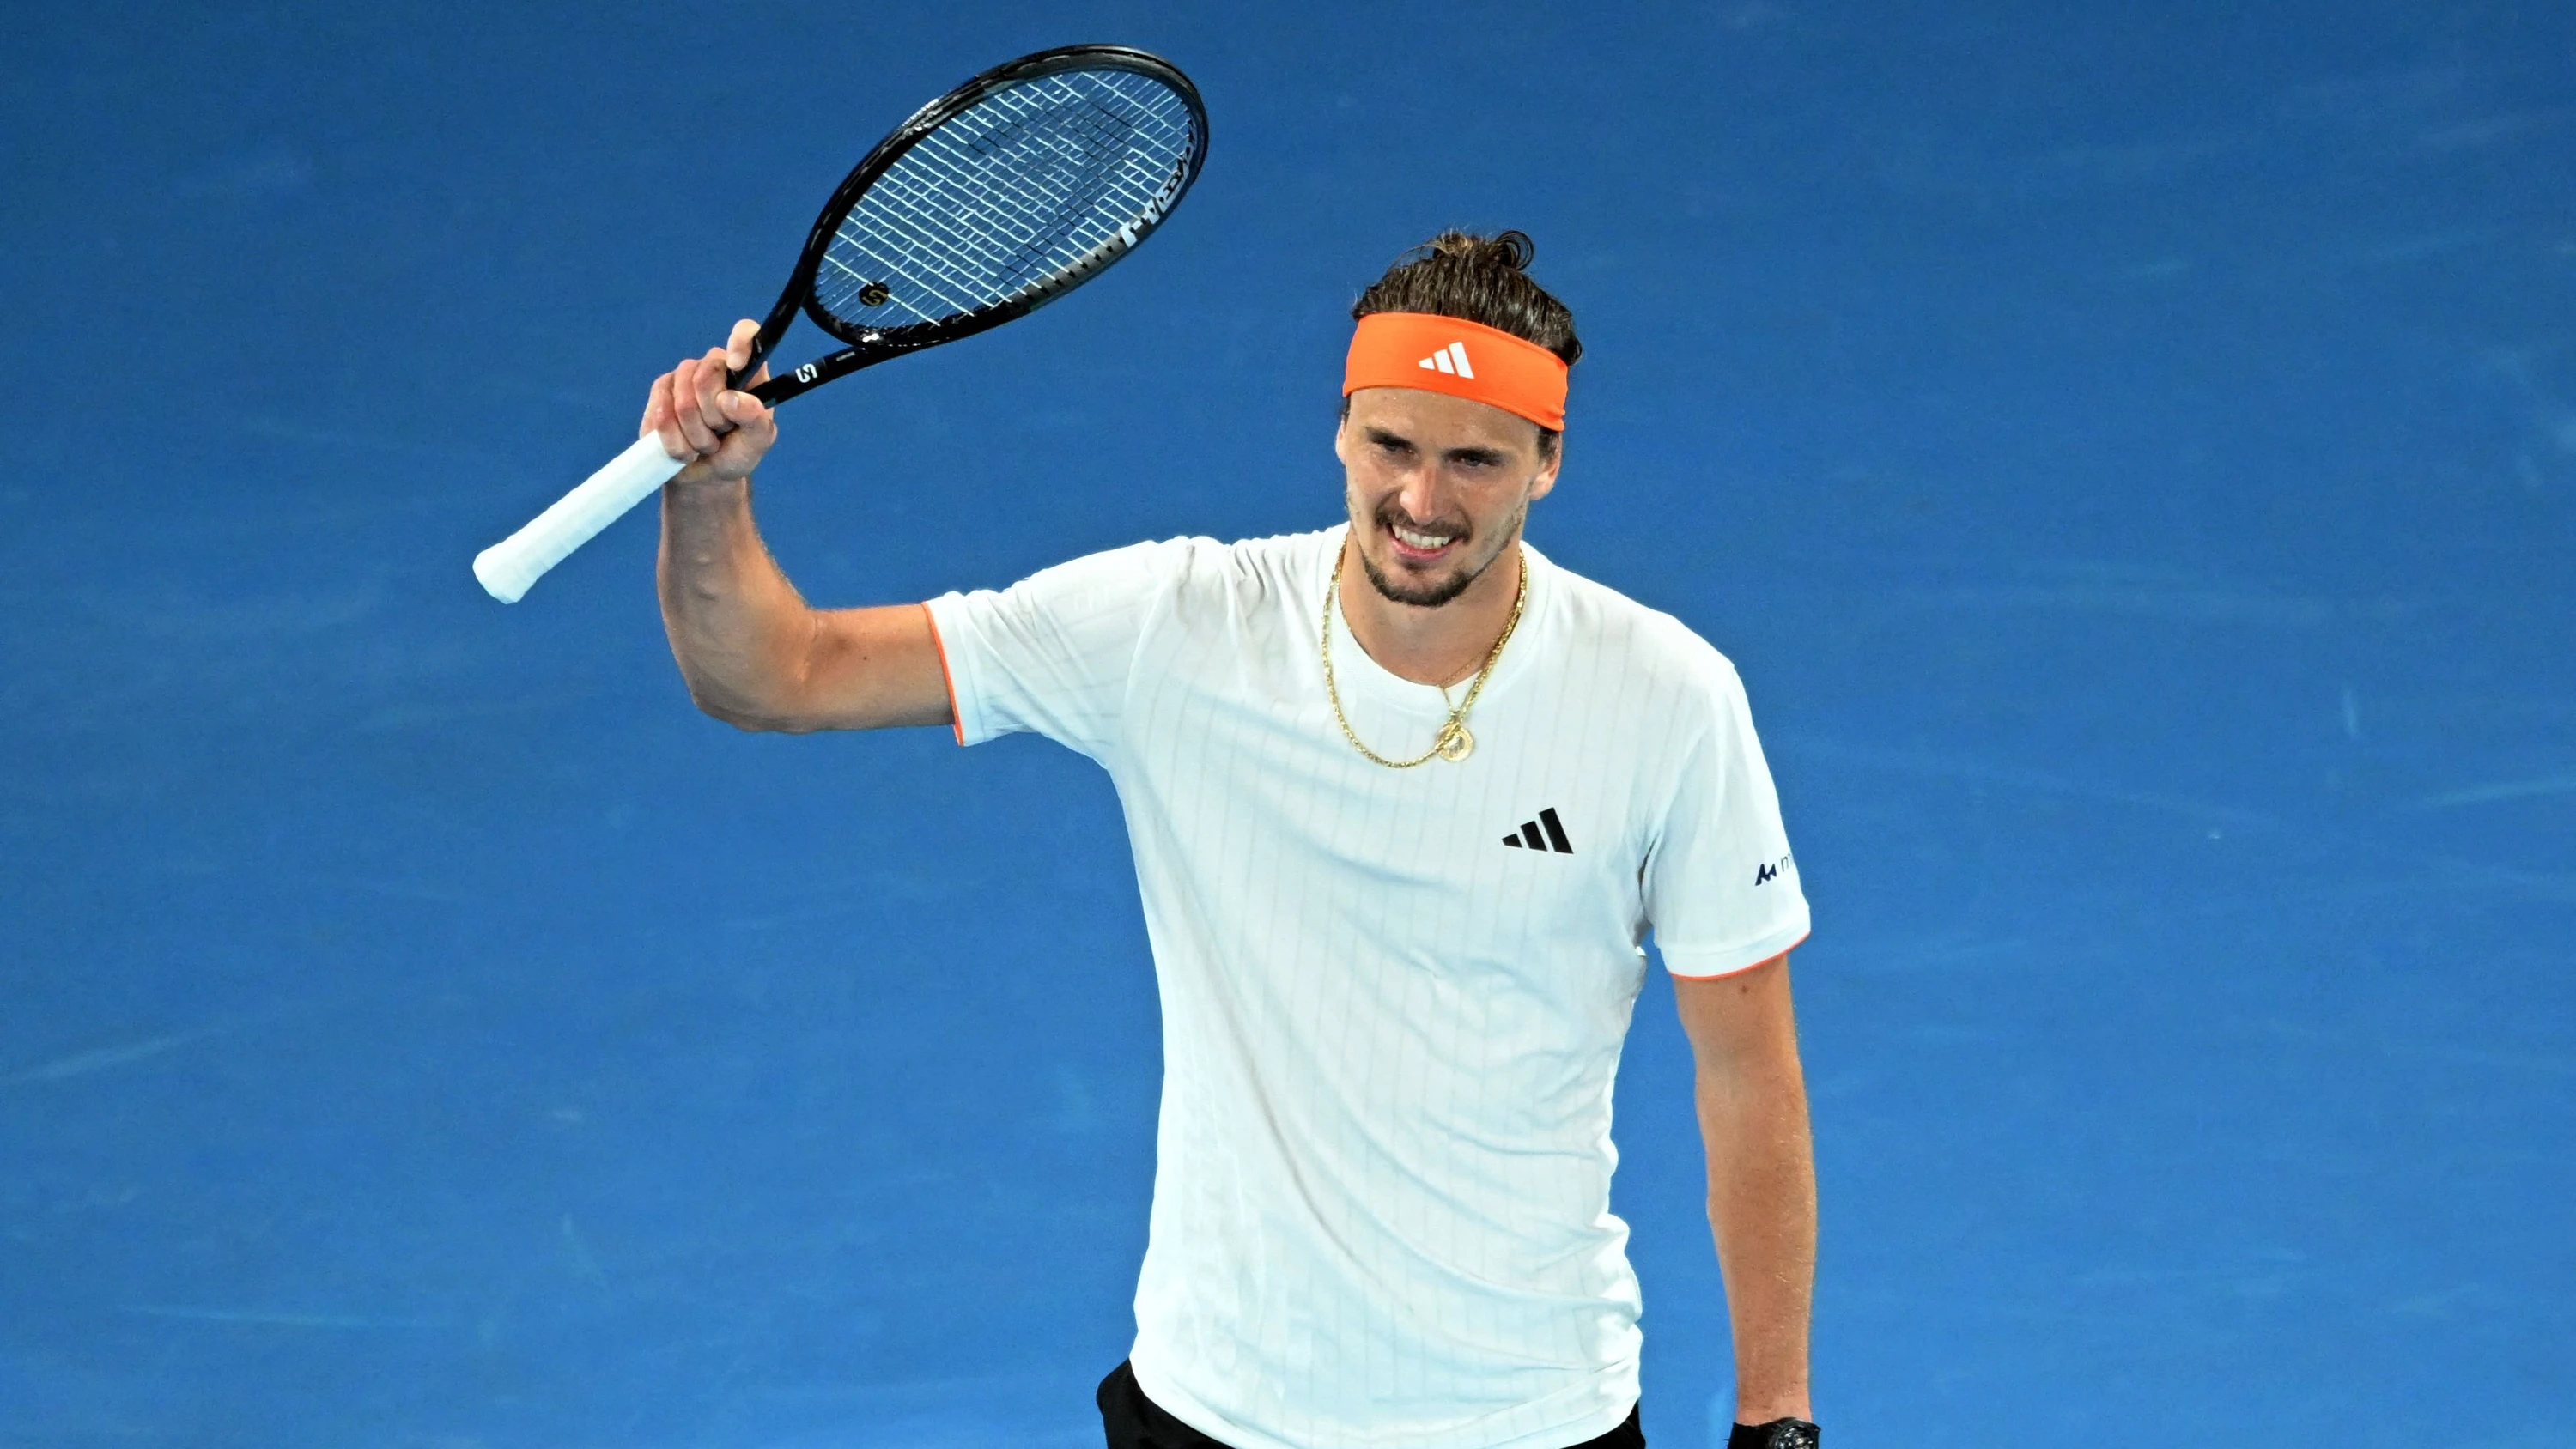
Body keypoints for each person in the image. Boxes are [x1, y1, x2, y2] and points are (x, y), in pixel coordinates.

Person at [646, 232, 1820, 1449]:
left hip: (1529, 1415)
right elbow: (777, 674)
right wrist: (710, 495)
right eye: (1392, 447)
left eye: (1475, 460)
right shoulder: (1178, 627)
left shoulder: (1669, 698)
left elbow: (1749, 1072)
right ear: (1340, 430)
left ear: (1547, 464)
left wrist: (1775, 1420)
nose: (1423, 503)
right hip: (1216, 1411)